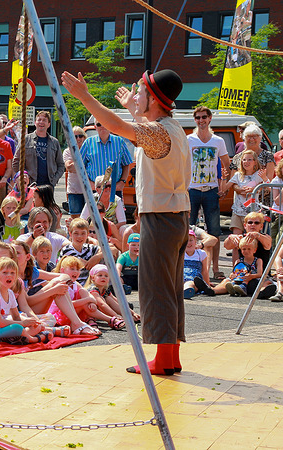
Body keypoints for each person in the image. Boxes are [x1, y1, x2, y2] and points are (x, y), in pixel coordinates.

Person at [63, 68, 189, 375]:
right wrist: (137, 108)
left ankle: (162, 359)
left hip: (162, 218)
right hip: (175, 216)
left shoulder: (158, 133)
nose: (137, 96)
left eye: (143, 93)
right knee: (169, 288)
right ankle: (169, 356)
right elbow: (138, 123)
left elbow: (116, 125)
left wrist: (84, 96)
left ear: (155, 100)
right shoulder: (171, 127)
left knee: (156, 289)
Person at [188, 106, 228, 278]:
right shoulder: (188, 139)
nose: (201, 120)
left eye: (204, 117)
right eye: (198, 117)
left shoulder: (218, 141)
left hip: (211, 190)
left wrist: (224, 185)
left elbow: (228, 164)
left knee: (214, 230)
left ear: (210, 118)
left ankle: (216, 268)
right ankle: (187, 264)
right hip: (192, 190)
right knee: (187, 230)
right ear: (195, 120)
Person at [0, 258, 52, 344]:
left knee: (36, 325)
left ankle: (21, 337)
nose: (9, 275)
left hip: (3, 328)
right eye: (5, 273)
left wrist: (28, 323)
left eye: (12, 273)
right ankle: (33, 339)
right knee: (17, 328)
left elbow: (16, 316)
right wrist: (23, 324)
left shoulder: (10, 293)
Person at [79, 119, 133, 197]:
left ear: (110, 126)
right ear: (95, 127)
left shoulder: (119, 142)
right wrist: (89, 183)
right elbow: (80, 166)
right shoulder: (88, 142)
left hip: (114, 190)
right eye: (99, 124)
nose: (102, 126)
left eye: (105, 123)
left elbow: (126, 164)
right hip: (94, 190)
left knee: (115, 209)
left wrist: (122, 182)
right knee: (93, 210)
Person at [14, 110, 64, 190]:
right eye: (39, 120)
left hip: (48, 186)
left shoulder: (54, 142)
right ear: (35, 123)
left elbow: (61, 165)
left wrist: (54, 180)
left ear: (49, 124)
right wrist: (23, 178)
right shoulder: (26, 139)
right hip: (30, 184)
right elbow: (16, 161)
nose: (41, 122)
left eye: (44, 120)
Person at [225, 150, 263, 234]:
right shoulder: (238, 175)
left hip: (252, 213)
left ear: (255, 162)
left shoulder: (258, 175)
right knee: (236, 239)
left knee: (251, 239)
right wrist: (223, 178)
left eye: (250, 160)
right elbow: (225, 188)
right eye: (244, 160)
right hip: (238, 212)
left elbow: (266, 186)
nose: (246, 162)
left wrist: (255, 189)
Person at [63, 126, 88, 218]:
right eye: (74, 136)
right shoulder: (67, 151)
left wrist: (76, 163)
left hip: (89, 189)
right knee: (75, 218)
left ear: (84, 137)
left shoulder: (90, 149)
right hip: (74, 190)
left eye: (80, 136)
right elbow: (70, 167)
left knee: (90, 218)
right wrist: (85, 162)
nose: (78, 138)